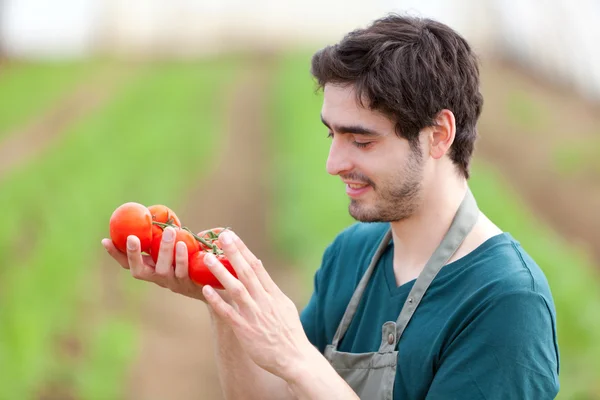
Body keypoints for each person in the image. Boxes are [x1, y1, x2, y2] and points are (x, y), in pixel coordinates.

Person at [102, 13, 560, 400]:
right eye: (332, 134)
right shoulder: (352, 255)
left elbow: (302, 374)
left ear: (439, 134)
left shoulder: (506, 304)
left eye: (361, 139)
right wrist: (224, 298)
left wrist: (302, 361)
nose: (333, 163)